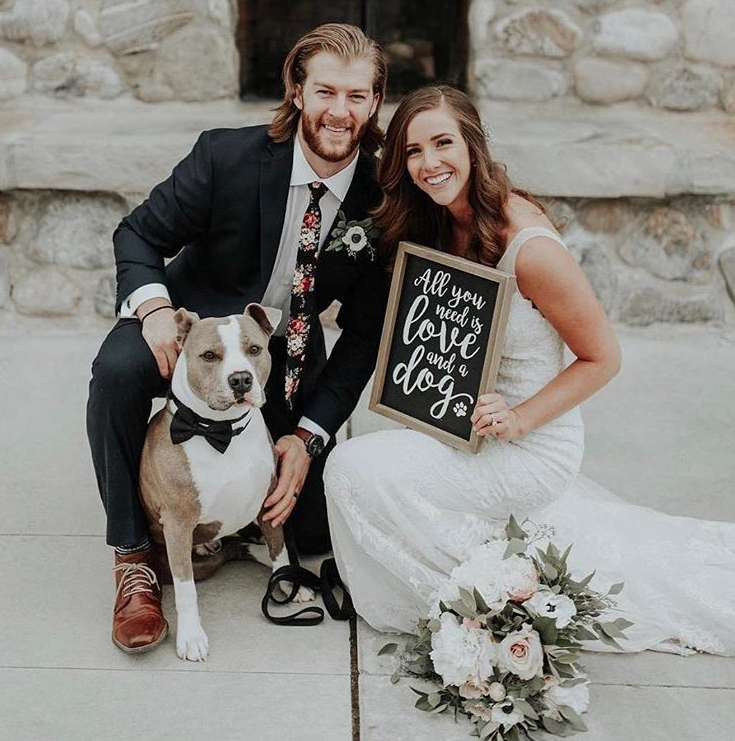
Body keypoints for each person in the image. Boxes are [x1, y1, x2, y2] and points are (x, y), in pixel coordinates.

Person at [324, 85, 735, 656]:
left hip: (529, 442)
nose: (429, 164)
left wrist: (518, 418)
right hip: (470, 418)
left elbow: (603, 358)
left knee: (349, 467)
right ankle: (486, 571)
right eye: (413, 152)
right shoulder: (440, 219)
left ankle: (466, 603)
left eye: (443, 143)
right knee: (371, 435)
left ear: (473, 144)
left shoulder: (530, 248)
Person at [86, 23, 389, 653]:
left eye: (357, 97)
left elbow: (361, 338)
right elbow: (136, 236)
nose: (340, 112)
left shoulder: (382, 197)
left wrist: (308, 436)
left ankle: (230, 519)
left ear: (374, 103)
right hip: (192, 333)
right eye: (325, 91)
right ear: (297, 91)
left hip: (286, 357)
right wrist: (155, 312)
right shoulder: (225, 156)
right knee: (116, 373)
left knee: (304, 530)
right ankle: (133, 554)